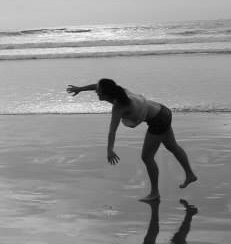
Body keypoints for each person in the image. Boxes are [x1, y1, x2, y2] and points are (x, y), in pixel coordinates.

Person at [66, 78, 196, 201]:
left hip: (158, 120)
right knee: (172, 146)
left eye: (99, 92)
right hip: (163, 111)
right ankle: (190, 174)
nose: (96, 92)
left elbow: (112, 130)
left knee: (147, 157)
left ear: (106, 94)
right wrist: (80, 89)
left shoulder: (120, 106)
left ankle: (155, 193)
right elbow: (96, 85)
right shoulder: (120, 91)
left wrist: (109, 150)